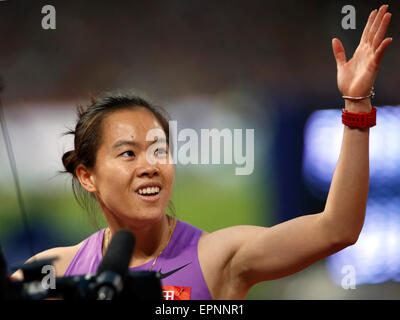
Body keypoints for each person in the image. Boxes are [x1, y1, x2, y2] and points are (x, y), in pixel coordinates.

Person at [12, 5, 392, 300]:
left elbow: (337, 229)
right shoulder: (53, 273)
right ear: (87, 176)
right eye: (128, 154)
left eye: (159, 150)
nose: (150, 166)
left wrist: (356, 104)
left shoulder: (219, 258)